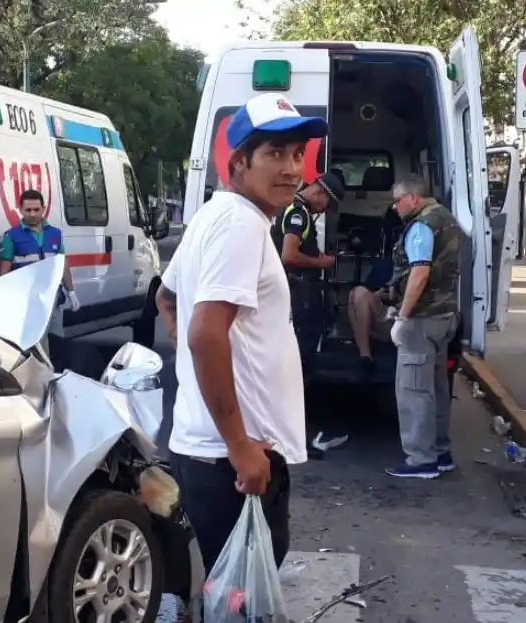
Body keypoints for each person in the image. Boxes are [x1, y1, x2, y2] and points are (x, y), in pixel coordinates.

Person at [154, 92, 327, 576]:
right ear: (238, 163)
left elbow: (166, 297)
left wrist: (195, 369)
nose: (291, 169)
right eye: (275, 154)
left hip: (210, 450)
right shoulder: (240, 226)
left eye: (297, 154)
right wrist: (239, 445)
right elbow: (206, 334)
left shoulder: (215, 215)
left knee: (225, 590)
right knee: (240, 596)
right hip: (231, 458)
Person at [382, 176, 462, 479]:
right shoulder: (446, 218)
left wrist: (402, 317)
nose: (395, 207)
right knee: (437, 388)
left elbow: (419, 273)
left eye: (397, 200)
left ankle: (420, 459)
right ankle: (440, 452)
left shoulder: (422, 226)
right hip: (444, 316)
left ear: (413, 198)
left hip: (422, 319)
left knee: (414, 390)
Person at [271, 171, 347, 457]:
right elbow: (288, 256)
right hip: (299, 298)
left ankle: (289, 436)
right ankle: (289, 440)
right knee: (296, 369)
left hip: (299, 296)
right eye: (327, 204)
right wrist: (322, 262)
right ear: (320, 193)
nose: (325, 210)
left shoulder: (296, 209)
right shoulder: (297, 213)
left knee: (299, 368)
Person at [347, 202, 404, 381]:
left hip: (402, 320)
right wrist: (379, 294)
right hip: (382, 316)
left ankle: (366, 356)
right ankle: (365, 357)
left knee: (359, 294)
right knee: (356, 293)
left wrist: (395, 297)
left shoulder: (416, 266)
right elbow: (366, 294)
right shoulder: (385, 265)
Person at [0, 189, 80, 313]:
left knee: (56, 326)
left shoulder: (55, 234)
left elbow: (62, 264)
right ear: (20, 210)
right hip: (25, 303)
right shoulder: (11, 236)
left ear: (43, 209)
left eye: (36, 209)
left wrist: (71, 292)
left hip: (53, 299)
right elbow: (4, 272)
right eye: (28, 210)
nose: (32, 214)